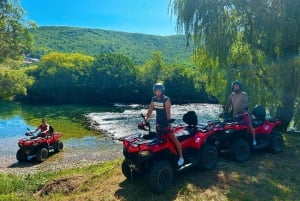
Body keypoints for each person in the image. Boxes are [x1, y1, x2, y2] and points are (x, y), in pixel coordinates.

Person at [144, 83, 184, 166]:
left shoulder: (166, 99)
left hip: (166, 123)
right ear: (154, 91)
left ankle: (181, 157)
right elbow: (150, 109)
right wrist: (146, 119)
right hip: (158, 123)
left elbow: (168, 112)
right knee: (160, 140)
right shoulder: (154, 99)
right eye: (156, 90)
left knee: (174, 139)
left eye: (159, 90)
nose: (158, 92)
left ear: (162, 91)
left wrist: (169, 124)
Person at [224, 80, 256, 146]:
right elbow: (228, 105)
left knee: (250, 126)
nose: (236, 87)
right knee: (231, 127)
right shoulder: (231, 95)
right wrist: (225, 112)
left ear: (239, 87)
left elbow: (246, 102)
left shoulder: (243, 94)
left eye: (237, 86)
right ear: (233, 87)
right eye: (234, 86)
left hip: (244, 114)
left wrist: (245, 107)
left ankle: (254, 140)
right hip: (235, 115)